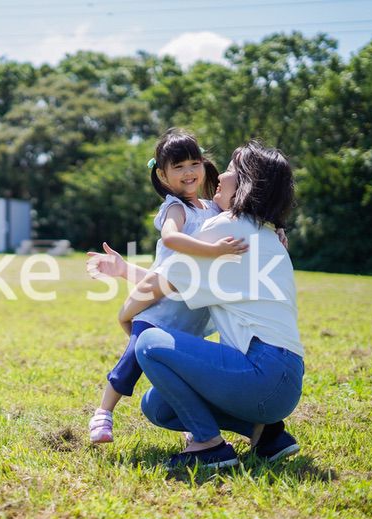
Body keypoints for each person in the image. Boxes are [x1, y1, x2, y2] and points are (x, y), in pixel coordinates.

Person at [114, 140, 304, 469]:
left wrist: (125, 316)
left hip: (261, 372)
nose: (220, 175)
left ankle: (208, 444)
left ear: (246, 182)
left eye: (230, 169)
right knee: (158, 406)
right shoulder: (267, 232)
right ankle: (265, 433)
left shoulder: (226, 227)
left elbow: (162, 281)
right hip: (285, 380)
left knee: (148, 343)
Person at [87, 128, 251, 444]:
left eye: (193, 163)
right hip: (157, 311)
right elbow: (170, 240)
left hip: (190, 316)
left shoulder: (214, 208)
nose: (188, 172)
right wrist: (214, 250)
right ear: (163, 176)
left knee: (185, 377)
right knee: (131, 360)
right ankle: (103, 413)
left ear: (204, 164)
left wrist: (277, 230)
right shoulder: (175, 208)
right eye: (178, 167)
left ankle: (194, 427)